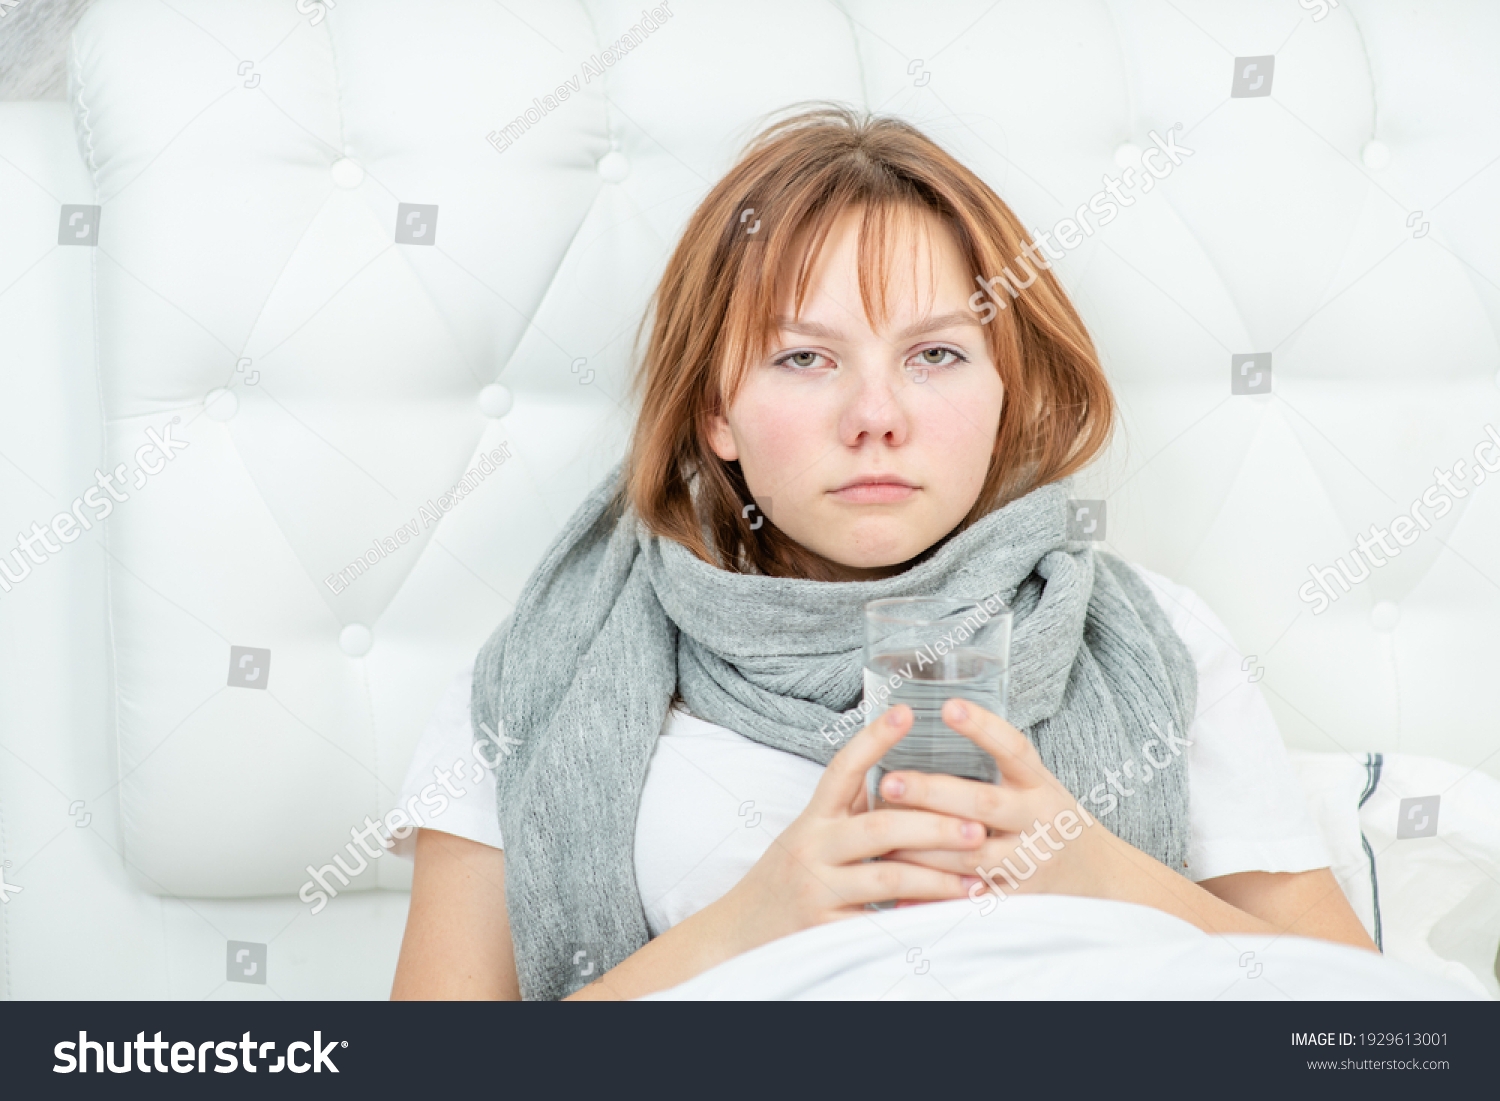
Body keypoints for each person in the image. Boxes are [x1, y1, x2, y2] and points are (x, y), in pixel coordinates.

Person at [390, 103, 1374, 1002]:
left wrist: (1098, 877)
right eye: (804, 358)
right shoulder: (541, 675)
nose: (875, 418)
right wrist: (746, 928)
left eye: (936, 354)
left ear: (1007, 393)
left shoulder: (1157, 647)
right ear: (717, 412)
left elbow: (1381, 1038)